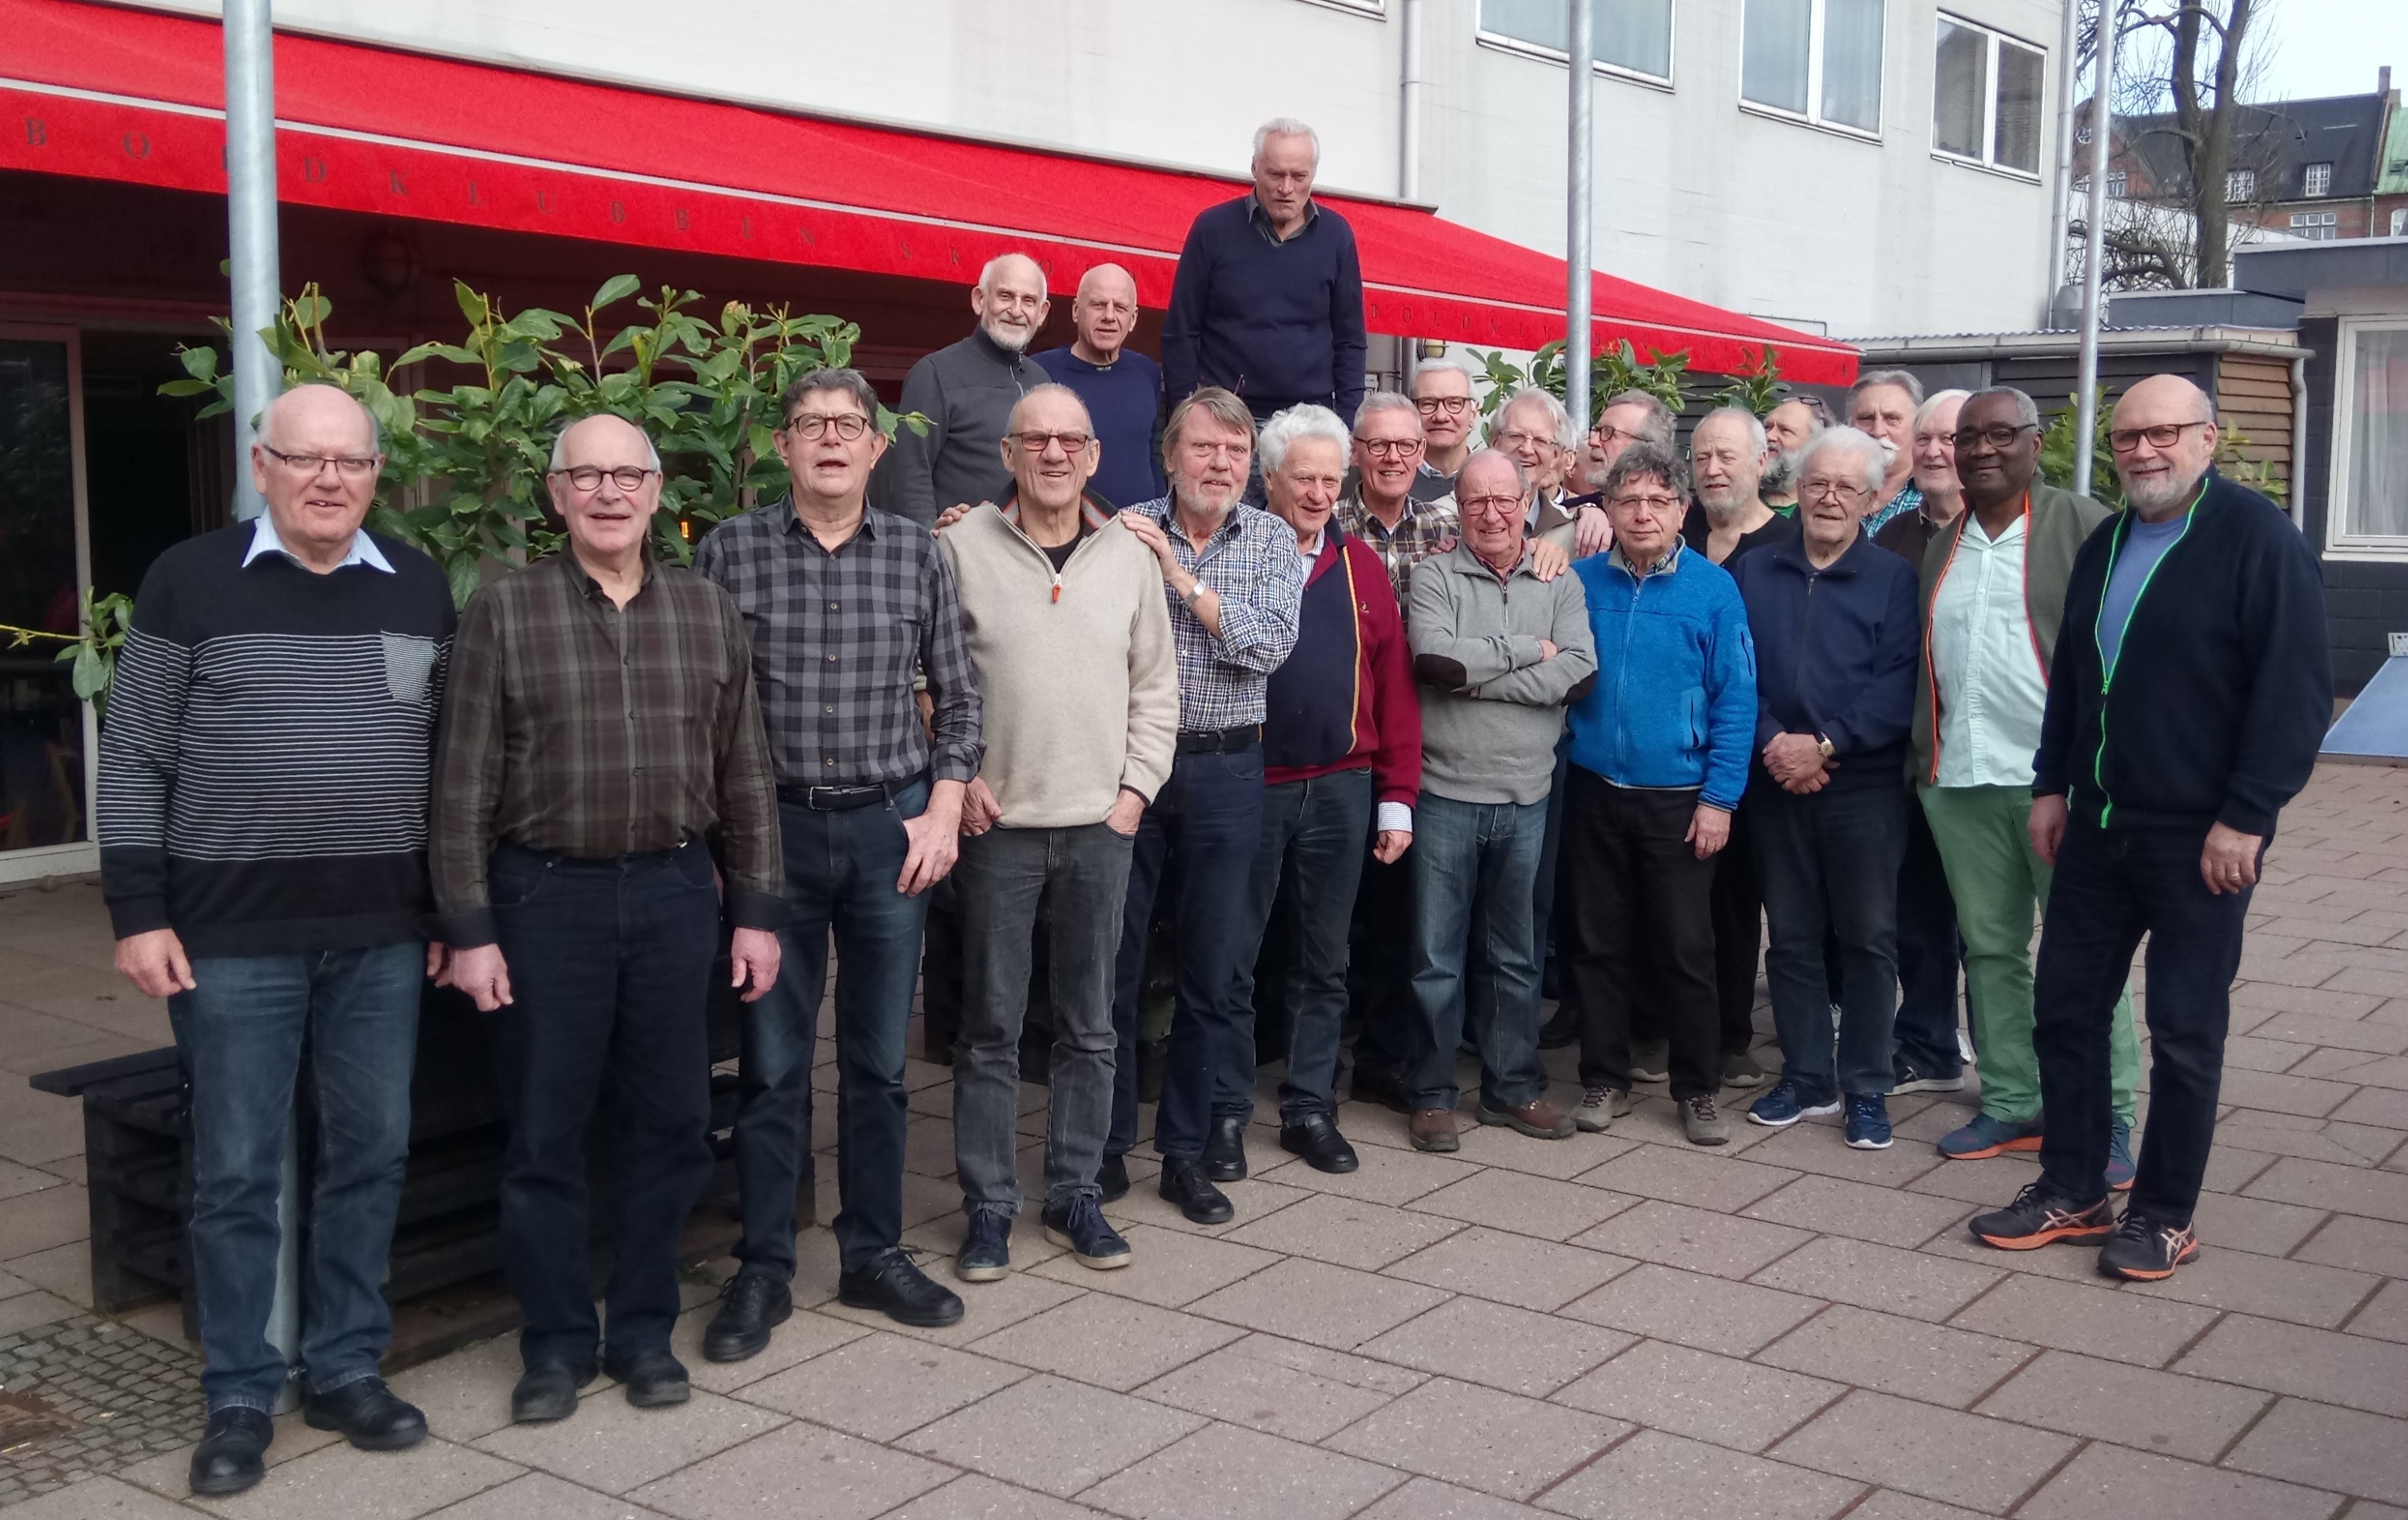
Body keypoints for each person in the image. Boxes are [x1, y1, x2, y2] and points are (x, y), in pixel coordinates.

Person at [100, 385, 453, 1495]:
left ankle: (346, 1365)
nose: (329, 479)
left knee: (370, 1151)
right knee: (237, 1169)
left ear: (377, 473)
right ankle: (241, 1391)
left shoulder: (418, 583)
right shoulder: (189, 578)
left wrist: (450, 914)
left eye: (351, 460)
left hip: (381, 934)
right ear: (262, 467)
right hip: (229, 937)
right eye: (305, 458)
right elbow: (134, 751)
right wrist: (138, 910)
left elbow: (445, 761)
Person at [433, 413, 785, 1423]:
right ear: (556, 494)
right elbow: (460, 783)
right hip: (545, 899)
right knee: (546, 1130)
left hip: (674, 895)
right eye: (585, 475)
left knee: (671, 1124)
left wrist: (755, 910)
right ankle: (553, 1343)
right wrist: (469, 926)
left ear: (656, 490)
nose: (608, 492)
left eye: (627, 474)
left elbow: (745, 772)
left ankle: (640, 1328)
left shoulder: (707, 611)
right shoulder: (504, 610)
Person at [1970, 373, 2329, 1281]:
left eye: (2162, 433)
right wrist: (2049, 786)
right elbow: (2073, 679)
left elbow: (2293, 692)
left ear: (2207, 437)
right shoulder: (2108, 540)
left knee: (2183, 1031)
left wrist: (2246, 816)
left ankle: (2164, 1214)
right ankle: (2073, 1188)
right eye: (2127, 437)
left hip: (2200, 840)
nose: (2142, 451)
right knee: (2066, 1009)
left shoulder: (2256, 538)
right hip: (2096, 827)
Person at [690, 369, 982, 1343]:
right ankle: (764, 1265)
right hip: (769, 834)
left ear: (874, 447)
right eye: (810, 424)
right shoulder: (729, 551)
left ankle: (871, 1253)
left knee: (877, 1062)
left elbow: (961, 695)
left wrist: (943, 809)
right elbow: (704, 708)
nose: (829, 438)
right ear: (781, 445)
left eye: (848, 425)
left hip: (885, 831)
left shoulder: (915, 553)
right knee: (773, 1065)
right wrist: (720, 842)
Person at [939, 385, 1179, 1280]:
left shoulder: (1129, 554)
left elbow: (1156, 684)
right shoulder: (958, 548)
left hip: (1099, 827)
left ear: (1092, 455)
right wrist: (958, 781)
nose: (1052, 453)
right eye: (1034, 439)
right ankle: (989, 1205)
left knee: (1090, 1024)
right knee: (989, 1026)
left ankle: (1075, 1191)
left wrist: (1135, 792)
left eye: (1069, 440)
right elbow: (927, 677)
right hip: (995, 825)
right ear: (1007, 454)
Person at [1918, 388, 2138, 1180]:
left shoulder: (2083, 525)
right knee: (1988, 949)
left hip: (2060, 785)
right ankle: (2012, 1098)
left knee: (2087, 956)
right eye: (1967, 436)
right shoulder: (1942, 544)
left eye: (1999, 434)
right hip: (1960, 778)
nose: (1981, 448)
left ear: (2033, 443)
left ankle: (2106, 1115)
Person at [1107, 387, 1306, 1223]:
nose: (1219, 463)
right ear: (1169, 455)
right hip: (1130, 770)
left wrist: (1178, 577)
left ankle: (1183, 1154)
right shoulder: (1122, 528)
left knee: (1211, 970)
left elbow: (1268, 645)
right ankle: (1103, 1143)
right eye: (1203, 447)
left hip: (1226, 769)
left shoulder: (1269, 537)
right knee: (1111, 963)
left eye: (1234, 450)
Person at [1227, 405, 1420, 1175]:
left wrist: (1396, 795)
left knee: (1324, 959)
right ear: (1269, 478)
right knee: (1234, 955)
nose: (1316, 493)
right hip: (1251, 784)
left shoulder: (1359, 564)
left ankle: (1309, 1106)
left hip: (1343, 786)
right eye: (1302, 478)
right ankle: (1222, 1107)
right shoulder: (1237, 554)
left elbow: (1394, 687)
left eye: (1329, 480)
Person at [1559, 443, 1754, 1147]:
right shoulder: (1580, 581)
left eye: (1657, 501)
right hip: (1593, 788)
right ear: (1608, 509)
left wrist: (1719, 799)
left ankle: (1696, 1087)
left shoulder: (1712, 590)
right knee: (1596, 943)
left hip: (1678, 795)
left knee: (1684, 946)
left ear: (1681, 510)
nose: (1642, 513)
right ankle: (1602, 1076)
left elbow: (1737, 699)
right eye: (1628, 500)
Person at [1732, 428, 1921, 1151]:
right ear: (1797, 490)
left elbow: (1896, 683)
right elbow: (1735, 670)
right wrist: (1775, 742)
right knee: (1790, 937)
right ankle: (1807, 1075)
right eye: (1817, 483)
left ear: (1871, 499)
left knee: (1868, 937)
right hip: (1774, 776)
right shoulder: (1755, 569)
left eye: (1846, 487)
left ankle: (1866, 1083)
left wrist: (1824, 744)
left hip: (1861, 785)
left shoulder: (1893, 578)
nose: (1830, 498)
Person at [1404, 449, 1596, 1152]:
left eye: (1503, 500)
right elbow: (1435, 663)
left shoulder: (1560, 580)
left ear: (1526, 504)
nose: (1491, 514)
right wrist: (1528, 650)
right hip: (1444, 793)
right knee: (1435, 957)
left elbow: (1580, 675)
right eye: (1475, 501)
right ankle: (1431, 1095)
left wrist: (1480, 672)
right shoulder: (1433, 576)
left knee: (1515, 955)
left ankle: (1511, 1087)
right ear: (1458, 508)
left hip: (1527, 796)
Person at [1673, 406, 1799, 1084]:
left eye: (1727, 456)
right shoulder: (1674, 528)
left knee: (1734, 900)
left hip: (1756, 751)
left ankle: (1729, 1034)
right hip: (1672, 753)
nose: (1713, 469)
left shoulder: (1788, 541)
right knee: (1671, 897)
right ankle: (1664, 1027)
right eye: (1701, 457)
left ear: (1761, 461)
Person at [1875, 389, 1977, 1105]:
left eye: (1953, 437)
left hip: (1994, 760)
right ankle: (1928, 1043)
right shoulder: (1893, 538)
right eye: (1928, 437)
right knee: (1918, 915)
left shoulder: (2009, 531)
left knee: (1989, 928)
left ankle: (2011, 1064)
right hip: (1910, 757)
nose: (1937, 450)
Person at [1163, 118, 1367, 432]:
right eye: (1275, 174)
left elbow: (1350, 339)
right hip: (1225, 418)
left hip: (1310, 421)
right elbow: (1181, 331)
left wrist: (1349, 421)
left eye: (1299, 176)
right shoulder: (1212, 230)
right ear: (1254, 169)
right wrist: (1184, 413)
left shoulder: (1337, 236)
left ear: (1313, 174)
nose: (1286, 188)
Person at [875, 253, 1050, 525]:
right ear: (980, 300)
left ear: (1042, 313)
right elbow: (910, 476)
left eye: (1028, 301)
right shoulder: (934, 373)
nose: (1016, 311)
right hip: (955, 546)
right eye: (1005, 296)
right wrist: (928, 543)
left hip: (1032, 545)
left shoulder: (1042, 381)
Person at [1032, 263, 1166, 510]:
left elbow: (1148, 454)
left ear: (1133, 318)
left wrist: (1162, 513)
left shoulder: (1147, 372)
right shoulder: (1039, 373)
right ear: (1075, 310)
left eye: (1121, 308)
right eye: (1098, 304)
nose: (1109, 316)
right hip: (1066, 525)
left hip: (1140, 524)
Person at [1490, 389, 1584, 555]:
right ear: (1494, 443)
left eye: (1541, 441)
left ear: (1556, 455)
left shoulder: (1575, 534)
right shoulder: (1456, 517)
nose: (1527, 449)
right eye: (1516, 436)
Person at [1849, 369, 1925, 536]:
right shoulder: (1830, 493)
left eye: (1892, 419)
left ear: (1918, 427)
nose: (1878, 431)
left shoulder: (1932, 499)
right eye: (1866, 418)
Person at [1411, 356, 1481, 495]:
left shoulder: (1494, 479)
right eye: (1428, 404)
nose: (1441, 416)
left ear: (1473, 414)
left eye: (1454, 403)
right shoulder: (1393, 482)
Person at [1761, 394, 1835, 514]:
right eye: (1767, 427)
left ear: (1813, 445)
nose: (1769, 436)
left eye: (1784, 430)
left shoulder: (1825, 510)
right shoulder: (1740, 500)